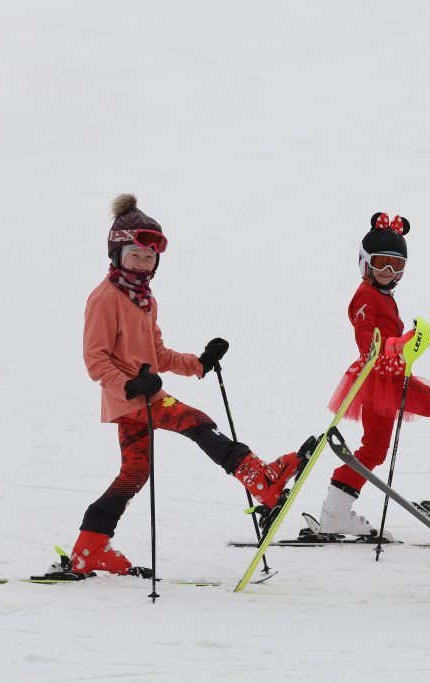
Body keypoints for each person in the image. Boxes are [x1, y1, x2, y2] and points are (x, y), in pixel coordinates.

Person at [69, 194, 301, 574]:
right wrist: (129, 386)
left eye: (149, 258)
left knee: (133, 475)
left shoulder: (144, 299)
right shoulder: (105, 298)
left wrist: (201, 364)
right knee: (194, 420)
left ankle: (89, 548)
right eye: (135, 256)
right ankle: (260, 479)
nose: (142, 264)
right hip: (130, 398)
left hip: (142, 395)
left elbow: (156, 353)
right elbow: (95, 358)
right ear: (116, 255)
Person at [312, 212, 430, 539]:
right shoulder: (365, 296)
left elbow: (400, 343)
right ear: (364, 263)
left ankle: (334, 512)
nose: (388, 273)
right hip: (381, 379)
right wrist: (405, 342)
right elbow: (368, 341)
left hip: (385, 378)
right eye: (381, 264)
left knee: (373, 449)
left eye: (396, 265)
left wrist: (429, 335)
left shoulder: (384, 296)